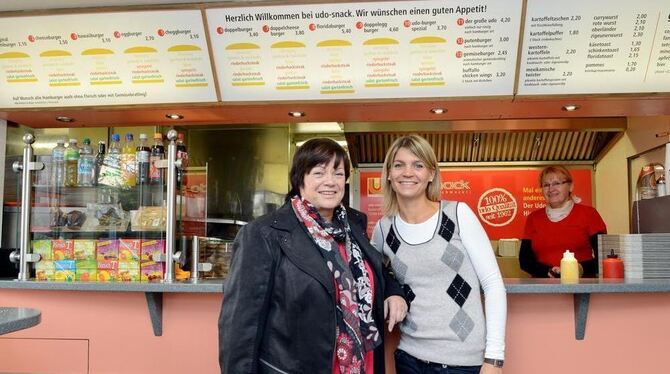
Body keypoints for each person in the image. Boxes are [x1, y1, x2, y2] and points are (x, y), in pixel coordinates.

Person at [219, 138, 407, 374]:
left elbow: (377, 269)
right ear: (300, 179)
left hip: (362, 366)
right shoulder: (264, 234)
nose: (330, 182)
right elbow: (240, 327)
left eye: (338, 174)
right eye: (319, 173)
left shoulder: (353, 225)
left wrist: (393, 292)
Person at [371, 135, 507, 374]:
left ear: (431, 174)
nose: (408, 172)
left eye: (418, 165)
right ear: (389, 174)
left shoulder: (457, 215)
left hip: (462, 363)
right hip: (409, 358)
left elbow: (493, 284)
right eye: (399, 164)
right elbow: (373, 275)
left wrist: (494, 358)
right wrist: (391, 292)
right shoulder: (384, 228)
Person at [519, 165, 607, 278]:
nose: (551, 189)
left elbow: (604, 258)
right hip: (542, 288)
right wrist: (548, 272)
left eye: (556, 183)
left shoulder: (589, 214)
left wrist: (580, 268)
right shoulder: (533, 218)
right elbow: (525, 260)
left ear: (570, 187)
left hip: (581, 287)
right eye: (546, 185)